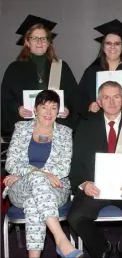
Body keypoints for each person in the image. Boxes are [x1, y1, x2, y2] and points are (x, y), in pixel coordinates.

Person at [67, 81, 122, 258]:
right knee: (75, 217)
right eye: (106, 97)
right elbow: (75, 162)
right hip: (96, 186)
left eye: (116, 97)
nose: (112, 102)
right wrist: (84, 183)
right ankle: (103, 249)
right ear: (99, 102)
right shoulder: (85, 125)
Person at [3, 90, 83, 258]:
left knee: (34, 203)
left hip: (56, 188)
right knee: (37, 180)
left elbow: (63, 168)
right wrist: (37, 174)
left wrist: (26, 172)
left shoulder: (65, 133)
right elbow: (10, 163)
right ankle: (61, 239)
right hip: (20, 188)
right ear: (35, 109)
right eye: (44, 107)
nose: (48, 112)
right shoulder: (21, 128)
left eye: (53, 108)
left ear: (58, 111)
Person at [1, 15, 79, 137]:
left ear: (48, 42)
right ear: (27, 41)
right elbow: (5, 97)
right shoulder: (14, 68)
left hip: (55, 129)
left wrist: (67, 109)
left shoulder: (61, 67)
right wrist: (17, 109)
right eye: (35, 38)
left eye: (43, 38)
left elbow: (74, 95)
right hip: (26, 129)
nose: (39, 42)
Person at [78, 19, 122, 118]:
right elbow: (79, 98)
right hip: (97, 123)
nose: (112, 47)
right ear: (103, 46)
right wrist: (89, 105)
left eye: (117, 43)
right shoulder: (91, 72)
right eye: (108, 43)